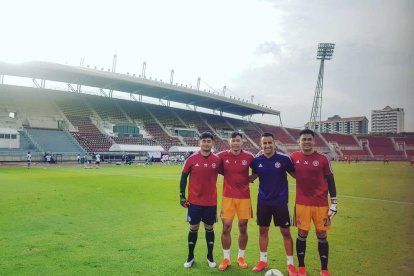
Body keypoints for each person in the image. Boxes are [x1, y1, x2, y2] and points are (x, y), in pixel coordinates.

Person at [290, 128, 338, 276]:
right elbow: (278, 162)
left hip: (321, 204)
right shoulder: (293, 157)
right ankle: (301, 267)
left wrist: (334, 203)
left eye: (309, 139)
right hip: (302, 204)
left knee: (322, 234)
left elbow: (330, 180)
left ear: (314, 141)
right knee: (302, 233)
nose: (306, 142)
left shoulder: (323, 158)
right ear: (299, 141)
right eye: (303, 139)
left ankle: (324, 269)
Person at [249, 132, 297, 275]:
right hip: (263, 201)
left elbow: (296, 175)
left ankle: (290, 264)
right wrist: (237, 178)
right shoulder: (256, 161)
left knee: (285, 231)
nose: (267, 145)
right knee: (263, 230)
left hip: (281, 201)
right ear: (261, 145)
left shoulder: (284, 159)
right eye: (265, 143)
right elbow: (255, 175)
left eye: (270, 142)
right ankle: (263, 260)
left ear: (274, 143)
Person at [179, 132, 222, 269]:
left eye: (209, 141)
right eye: (203, 141)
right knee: (193, 228)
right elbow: (183, 177)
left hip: (210, 202)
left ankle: (210, 257)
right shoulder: (191, 159)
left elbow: (230, 172)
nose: (206, 143)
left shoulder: (217, 160)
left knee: (209, 228)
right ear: (199, 143)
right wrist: (181, 195)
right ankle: (190, 257)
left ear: (212, 143)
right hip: (194, 202)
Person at [216, 131, 254, 271]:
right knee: (226, 226)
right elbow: (217, 168)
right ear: (229, 142)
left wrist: (251, 178)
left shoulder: (249, 156)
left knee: (243, 226)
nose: (235, 142)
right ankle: (226, 258)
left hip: (244, 197)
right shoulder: (222, 156)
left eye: (238, 140)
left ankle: (240, 256)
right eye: (233, 140)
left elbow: (257, 169)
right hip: (228, 197)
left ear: (242, 142)